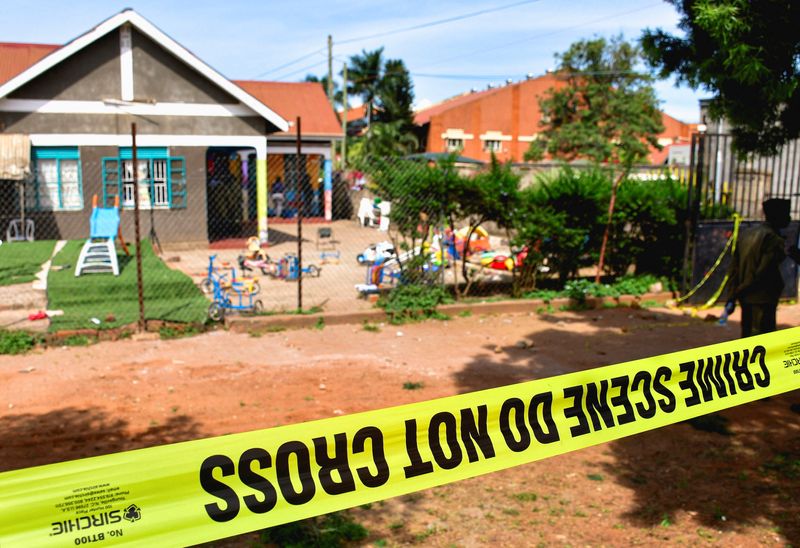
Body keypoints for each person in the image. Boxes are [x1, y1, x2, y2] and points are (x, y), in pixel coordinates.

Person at [728, 198, 799, 337]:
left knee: (747, 336)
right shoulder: (773, 239)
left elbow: (733, 268)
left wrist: (733, 294)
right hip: (763, 297)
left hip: (746, 296)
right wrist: (744, 288)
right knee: (762, 339)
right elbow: (763, 271)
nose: (790, 218)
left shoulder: (746, 234)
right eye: (786, 214)